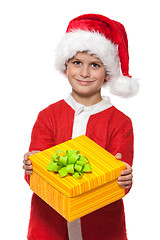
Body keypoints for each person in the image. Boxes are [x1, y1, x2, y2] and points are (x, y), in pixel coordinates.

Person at [23, 14, 138, 240]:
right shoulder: (48, 116)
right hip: (49, 226)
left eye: (95, 65)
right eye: (77, 62)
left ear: (108, 73)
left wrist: (124, 178)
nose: (84, 73)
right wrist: (32, 165)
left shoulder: (121, 122)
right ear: (65, 66)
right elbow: (35, 177)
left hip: (101, 228)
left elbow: (119, 182)